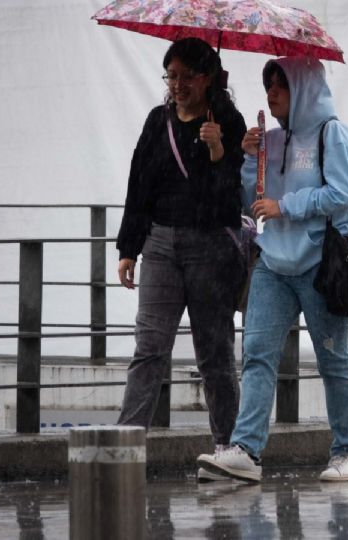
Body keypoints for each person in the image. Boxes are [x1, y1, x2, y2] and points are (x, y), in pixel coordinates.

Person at [198, 57, 348, 483]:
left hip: (321, 264)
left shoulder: (334, 134)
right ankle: (246, 451)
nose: (271, 94)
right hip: (273, 263)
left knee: (333, 360)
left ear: (304, 89)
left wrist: (286, 205)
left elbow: (344, 194)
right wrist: (247, 159)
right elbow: (248, 202)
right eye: (268, 85)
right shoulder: (269, 140)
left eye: (281, 86)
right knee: (257, 356)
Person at [114, 38, 248, 482]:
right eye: (171, 77)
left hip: (210, 246)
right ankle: (126, 447)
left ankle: (228, 449)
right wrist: (128, 248)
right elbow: (139, 187)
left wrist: (217, 152)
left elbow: (230, 201)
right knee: (150, 348)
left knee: (214, 352)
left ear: (208, 78)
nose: (177, 85)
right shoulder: (158, 122)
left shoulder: (226, 121)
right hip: (159, 245)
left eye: (186, 77)